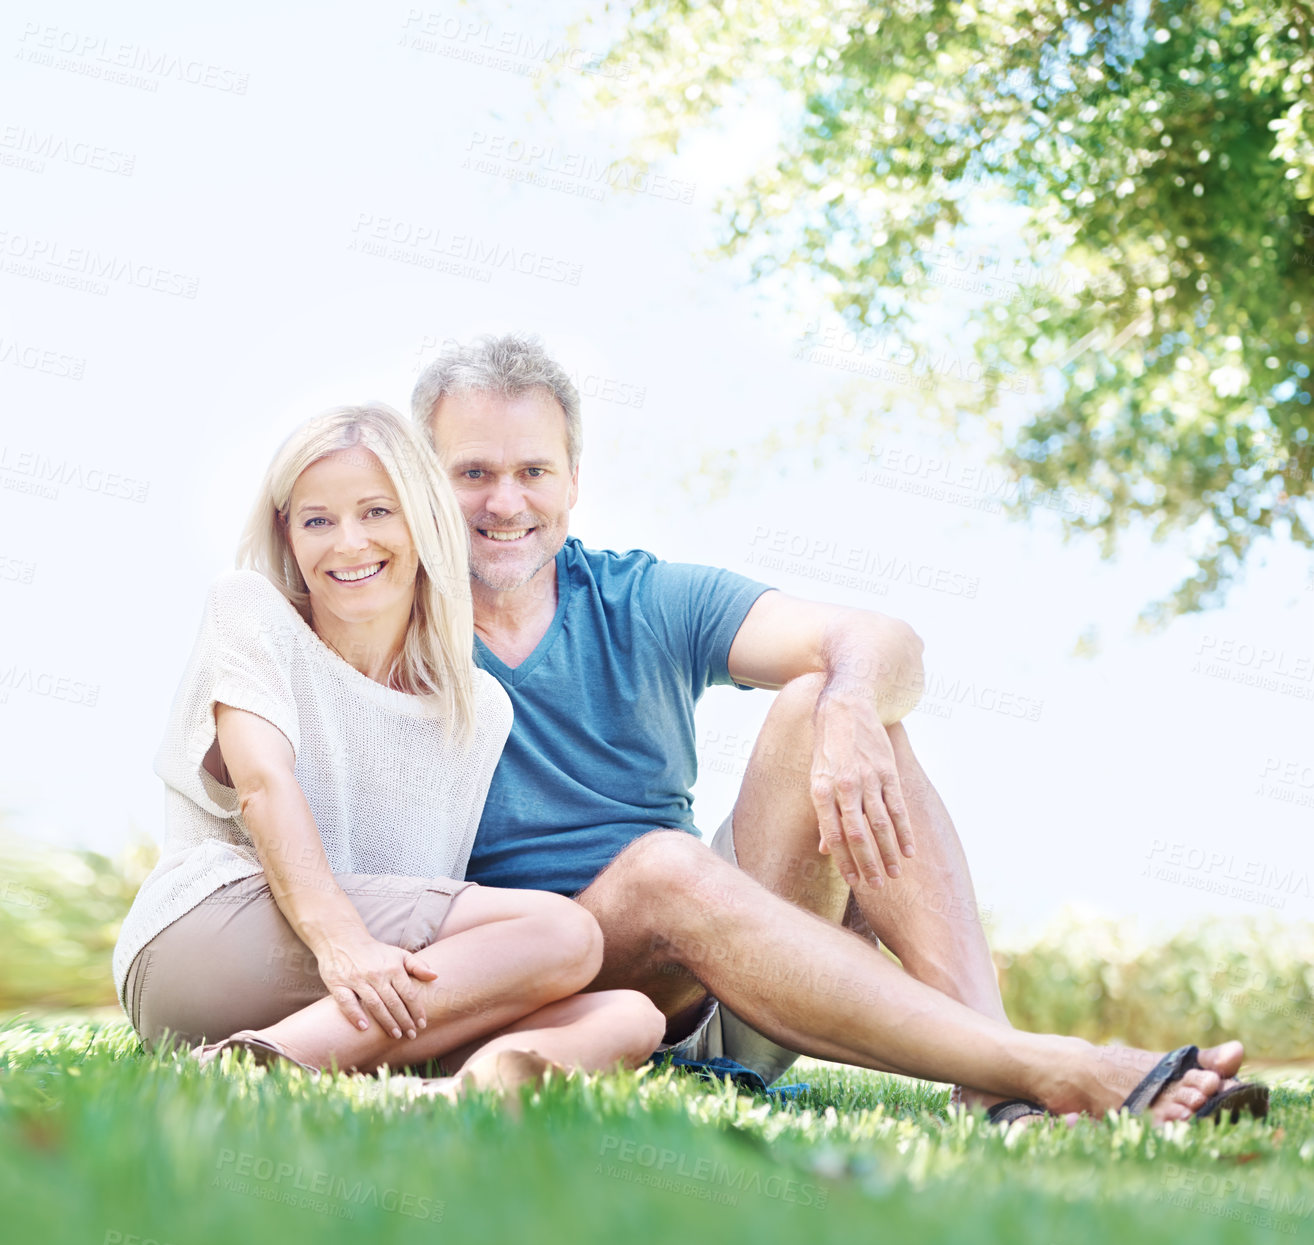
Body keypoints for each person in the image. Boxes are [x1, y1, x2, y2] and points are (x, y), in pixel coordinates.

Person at [408, 334, 1267, 1126]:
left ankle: (994, 1075)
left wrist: (852, 708)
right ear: (419, 477)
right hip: (560, 996)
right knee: (664, 868)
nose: (506, 501)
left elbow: (883, 641)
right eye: (473, 472)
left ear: (572, 482)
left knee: (830, 700)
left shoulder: (638, 597)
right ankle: (1053, 1068)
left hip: (742, 985)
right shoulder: (379, 620)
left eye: (533, 470)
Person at [112, 402, 664, 1095]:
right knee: (568, 936)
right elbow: (262, 785)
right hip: (208, 939)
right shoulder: (251, 611)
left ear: (424, 522)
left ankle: (445, 1095)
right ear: (289, 534)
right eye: (318, 520)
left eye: (377, 512)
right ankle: (241, 1071)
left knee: (627, 1015)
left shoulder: (476, 708)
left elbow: (425, 882)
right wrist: (342, 942)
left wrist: (399, 968)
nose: (348, 544)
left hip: (342, 987)